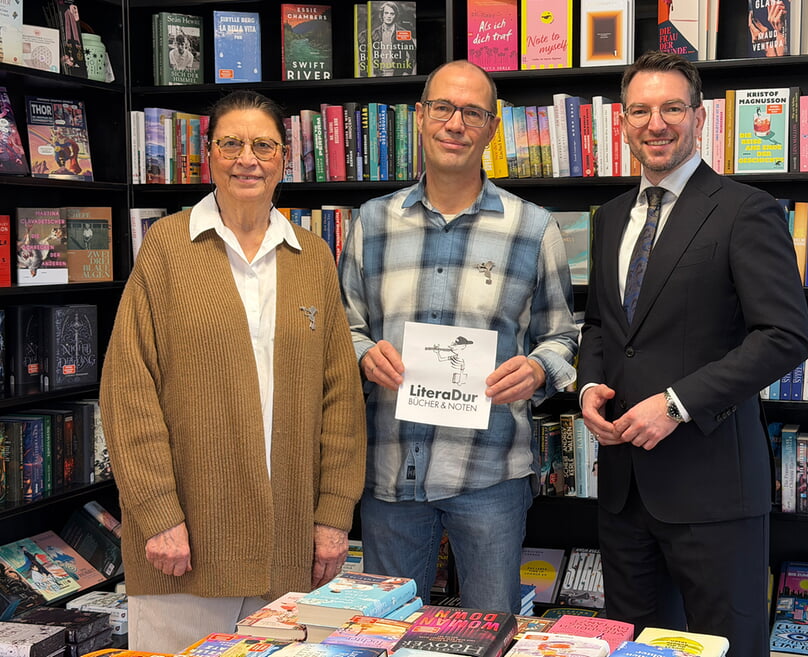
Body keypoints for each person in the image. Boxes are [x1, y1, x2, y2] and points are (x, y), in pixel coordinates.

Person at [100, 89, 366, 652]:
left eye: (263, 145)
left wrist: (333, 517)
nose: (248, 158)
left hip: (288, 551)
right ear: (209, 154)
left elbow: (340, 399)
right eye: (232, 143)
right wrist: (157, 515)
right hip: (184, 547)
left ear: (284, 159)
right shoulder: (166, 248)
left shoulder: (313, 256)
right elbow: (128, 393)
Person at [577, 50, 808, 656]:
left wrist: (676, 403)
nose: (656, 124)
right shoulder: (608, 218)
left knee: (727, 647)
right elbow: (601, 325)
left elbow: (784, 335)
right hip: (624, 489)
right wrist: (589, 386)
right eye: (640, 111)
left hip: (713, 492)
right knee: (632, 647)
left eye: (672, 108)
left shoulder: (744, 210)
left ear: (699, 117)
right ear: (622, 123)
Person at [338, 60, 579, 613]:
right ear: (420, 118)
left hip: (490, 474)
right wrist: (362, 353)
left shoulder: (533, 227)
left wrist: (539, 368)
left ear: (492, 128)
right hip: (390, 473)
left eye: (472, 112)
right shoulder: (371, 224)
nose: (456, 123)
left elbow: (562, 335)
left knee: (491, 633)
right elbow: (342, 328)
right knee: (383, 638)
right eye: (443, 108)